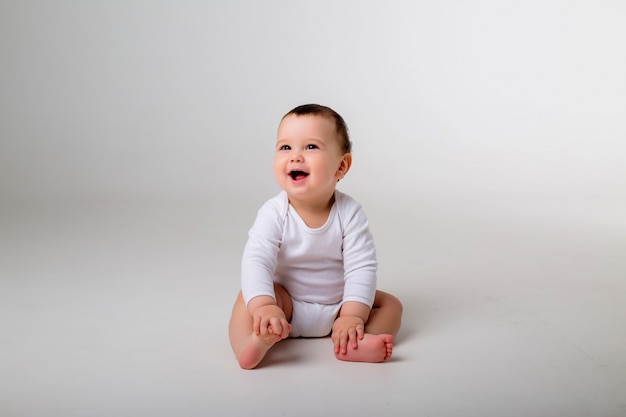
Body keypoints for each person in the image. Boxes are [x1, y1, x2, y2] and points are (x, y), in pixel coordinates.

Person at [228, 104, 403, 369]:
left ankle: (352, 341)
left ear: (341, 166)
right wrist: (265, 306)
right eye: (285, 147)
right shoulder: (274, 212)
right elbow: (257, 261)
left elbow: (361, 266)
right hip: (286, 306)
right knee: (249, 296)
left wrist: (353, 315)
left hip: (340, 306)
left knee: (390, 304)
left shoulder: (350, 212)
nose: (295, 156)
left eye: (310, 147)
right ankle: (250, 344)